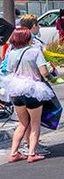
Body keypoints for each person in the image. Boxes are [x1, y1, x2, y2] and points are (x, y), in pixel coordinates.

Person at [3, 27, 54, 163]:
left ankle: (14, 153)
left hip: (16, 89)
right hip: (33, 89)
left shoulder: (12, 53)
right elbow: (44, 72)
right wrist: (51, 74)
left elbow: (8, 70)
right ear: (27, 38)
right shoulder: (35, 52)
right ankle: (32, 153)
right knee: (35, 123)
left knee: (22, 123)